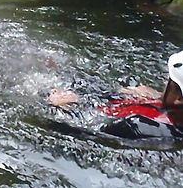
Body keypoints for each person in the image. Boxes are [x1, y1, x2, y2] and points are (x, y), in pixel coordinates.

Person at [48, 50, 183, 140]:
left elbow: (86, 132)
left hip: (89, 111)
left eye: (169, 81)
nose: (165, 83)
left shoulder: (138, 126)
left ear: (179, 99)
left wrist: (62, 108)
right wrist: (155, 97)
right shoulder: (174, 114)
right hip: (102, 99)